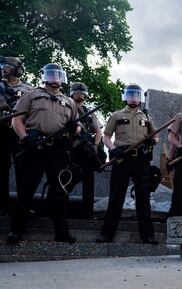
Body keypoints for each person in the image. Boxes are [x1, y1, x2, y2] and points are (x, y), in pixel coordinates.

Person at [8, 63, 78, 244]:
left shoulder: (69, 101)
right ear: (44, 76)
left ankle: (62, 233)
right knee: (27, 189)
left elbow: (77, 127)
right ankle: (17, 231)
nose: (55, 78)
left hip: (59, 150)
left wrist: (74, 128)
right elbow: (16, 120)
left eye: (58, 75)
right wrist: (24, 138)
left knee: (60, 192)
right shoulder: (31, 95)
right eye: (51, 74)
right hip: (36, 148)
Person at [97, 84, 158, 244]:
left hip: (141, 160)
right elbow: (106, 137)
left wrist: (153, 140)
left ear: (140, 97)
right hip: (122, 159)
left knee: (143, 198)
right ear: (126, 96)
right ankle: (106, 234)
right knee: (116, 197)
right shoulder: (116, 115)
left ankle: (148, 235)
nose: (133, 98)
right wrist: (113, 149)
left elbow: (156, 137)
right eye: (130, 95)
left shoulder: (146, 117)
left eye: (136, 95)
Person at [0, 56, 33, 214]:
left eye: (6, 66)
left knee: (23, 169)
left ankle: (23, 206)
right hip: (1, 131)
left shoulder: (29, 89)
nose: (3, 68)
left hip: (19, 132)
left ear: (16, 69)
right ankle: (2, 206)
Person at [66, 82, 103, 218]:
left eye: (82, 93)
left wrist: (95, 145)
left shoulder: (89, 111)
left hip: (87, 150)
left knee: (89, 181)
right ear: (71, 93)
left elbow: (98, 131)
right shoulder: (67, 107)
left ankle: (88, 212)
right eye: (77, 92)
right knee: (70, 178)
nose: (79, 95)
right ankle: (60, 208)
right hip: (72, 150)